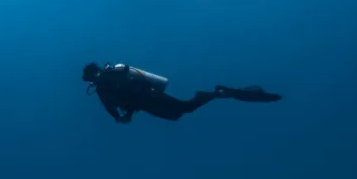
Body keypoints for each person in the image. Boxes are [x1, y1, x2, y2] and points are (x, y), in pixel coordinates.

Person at [81, 62, 282, 123]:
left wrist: (123, 114)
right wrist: (126, 115)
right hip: (144, 103)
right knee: (177, 114)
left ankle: (216, 92)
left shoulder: (110, 74)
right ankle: (216, 93)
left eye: (90, 76)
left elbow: (128, 82)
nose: (91, 80)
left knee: (183, 109)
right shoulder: (103, 89)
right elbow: (117, 109)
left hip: (149, 96)